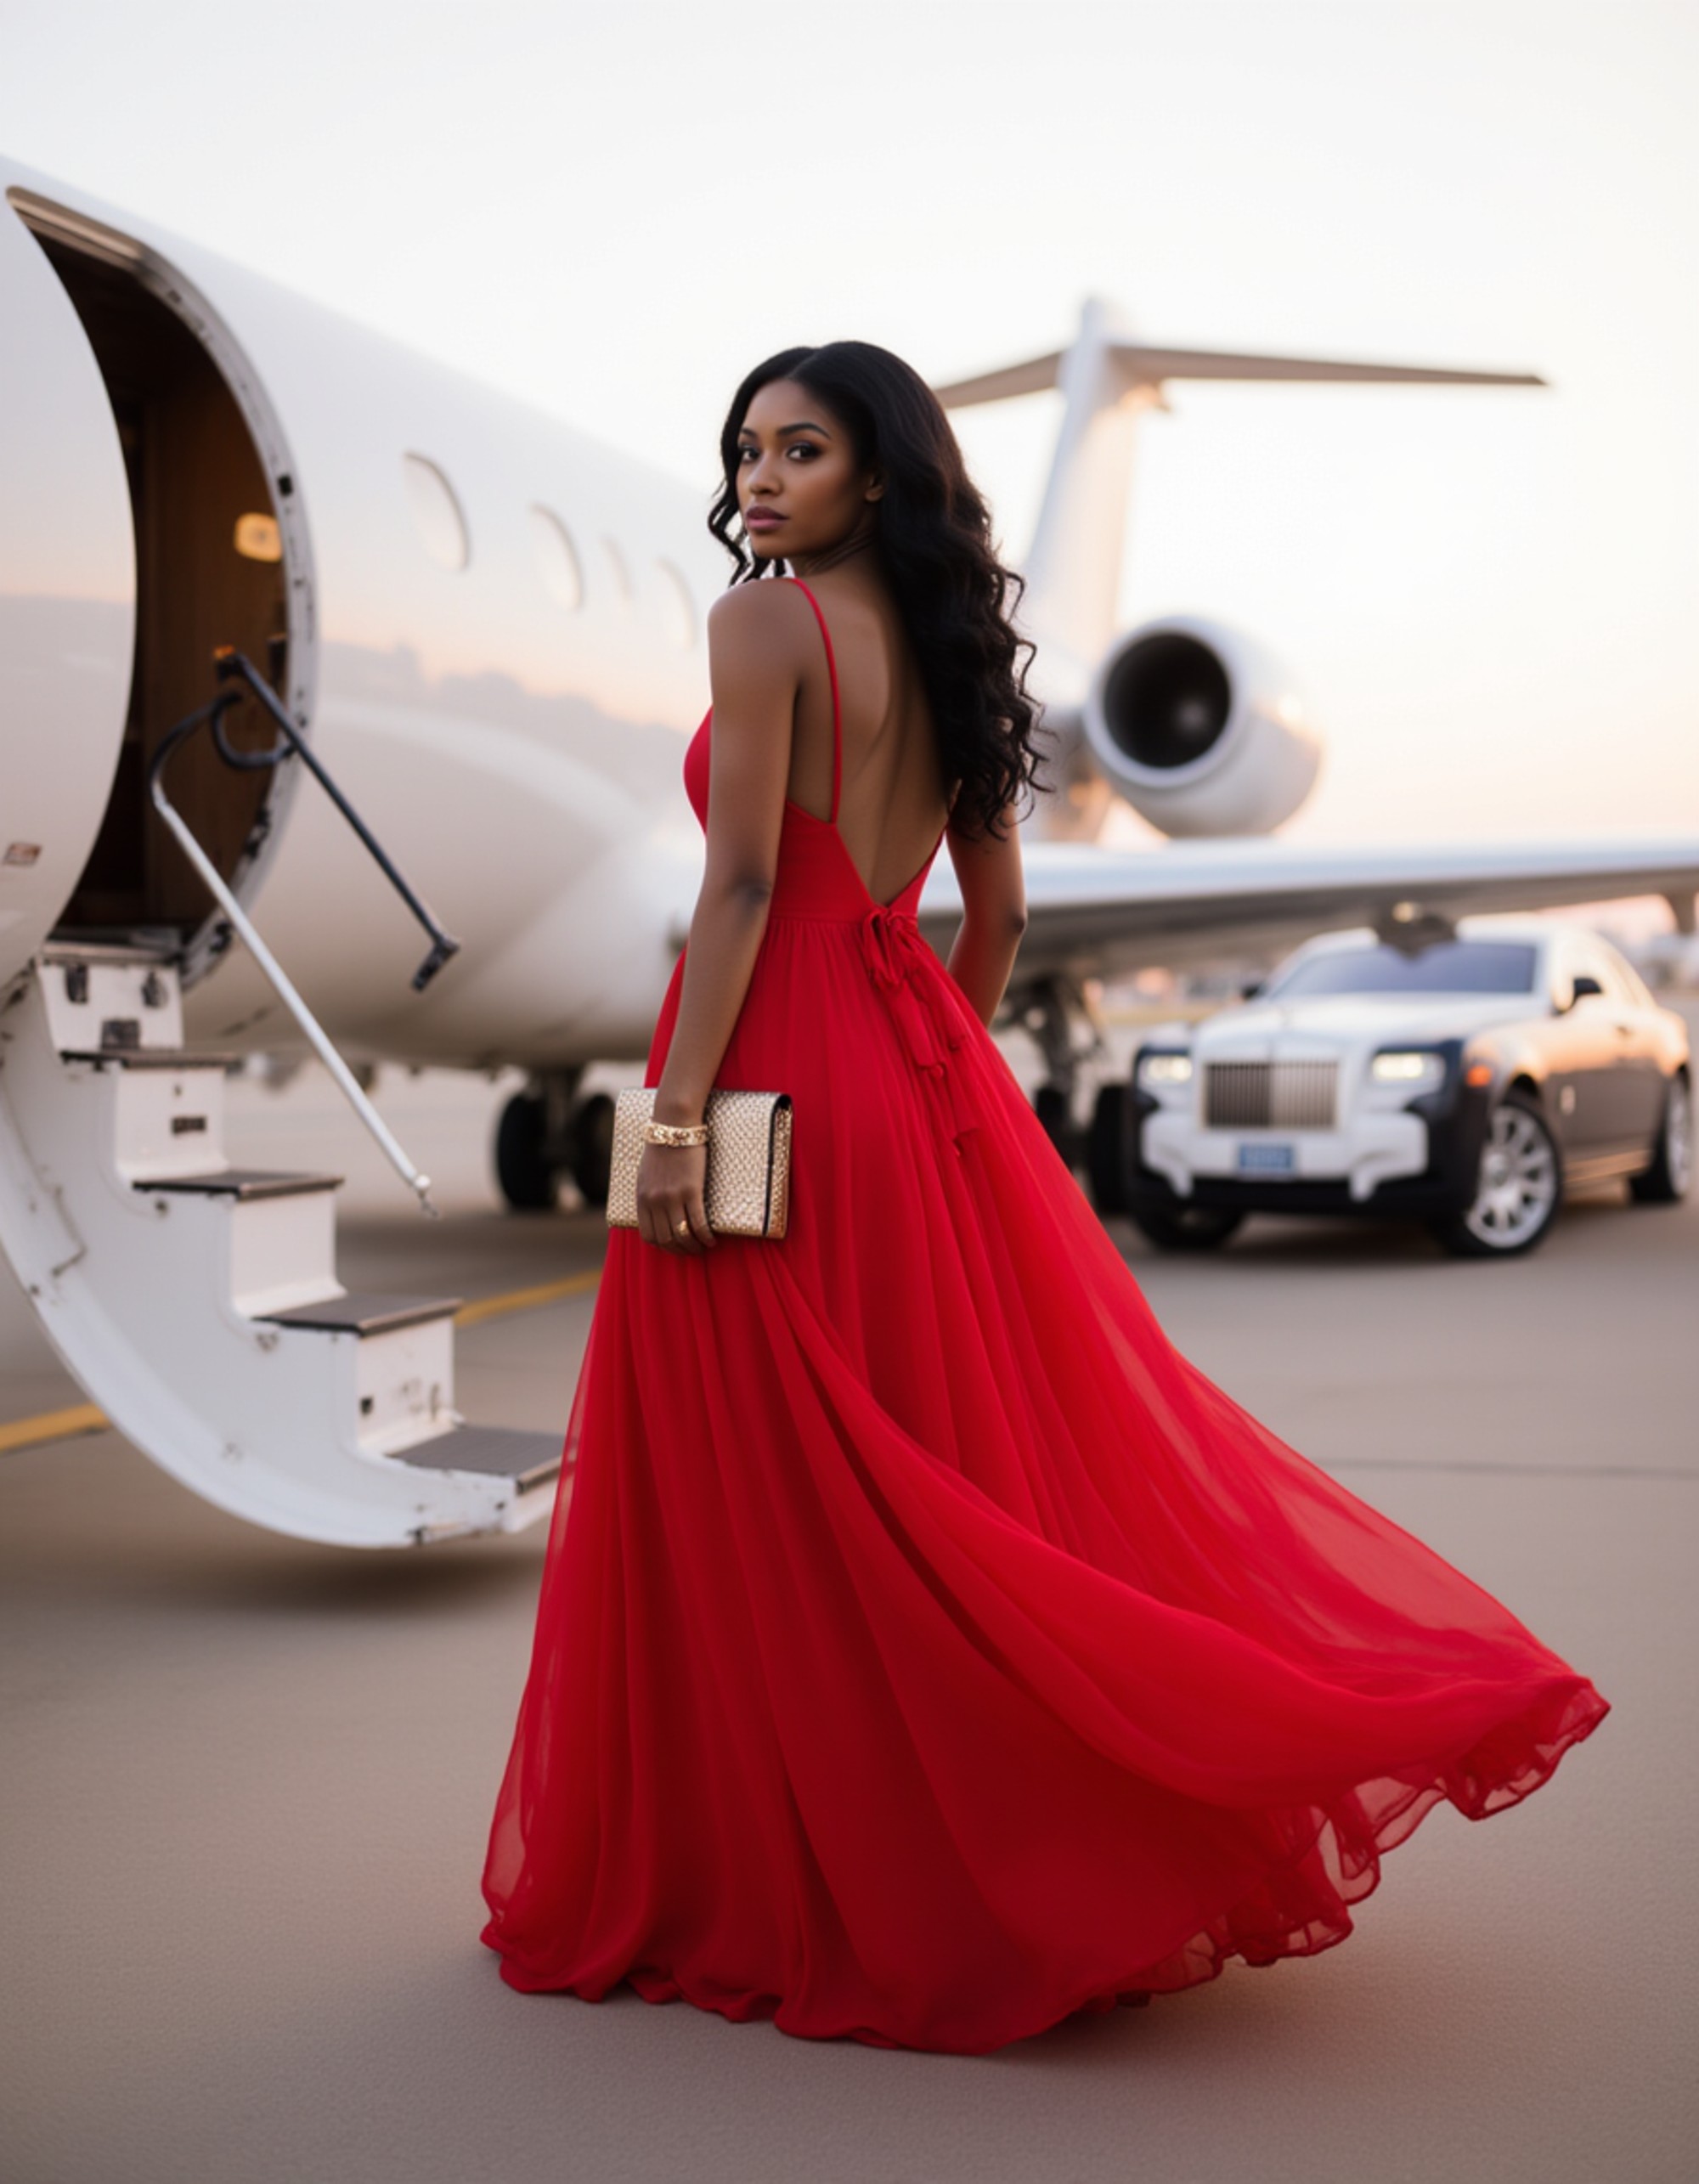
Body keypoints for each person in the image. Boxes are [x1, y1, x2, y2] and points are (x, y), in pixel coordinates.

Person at [478, 340, 1608, 2056]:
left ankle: (800, 1867)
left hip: (764, 1057)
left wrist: (681, 1110)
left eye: (800, 448)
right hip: (902, 1063)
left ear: (875, 469)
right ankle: (1013, 1835)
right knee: (931, 1469)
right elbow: (986, 922)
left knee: (769, 1490)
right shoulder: (959, 655)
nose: (761, 480)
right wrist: (919, 1048)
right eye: (746, 450)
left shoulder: (761, 624)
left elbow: (743, 886)